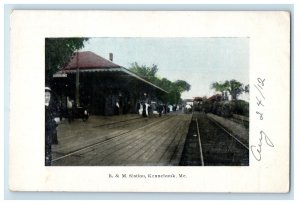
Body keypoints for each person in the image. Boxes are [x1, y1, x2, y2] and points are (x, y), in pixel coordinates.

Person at [45, 86, 60, 166]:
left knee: (48, 150)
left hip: (49, 133)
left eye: (48, 96)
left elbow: (57, 119)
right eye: (44, 95)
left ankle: (48, 164)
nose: (46, 97)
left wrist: (54, 122)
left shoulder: (53, 106)